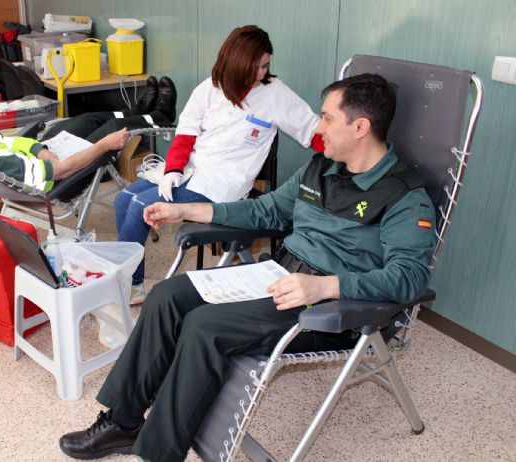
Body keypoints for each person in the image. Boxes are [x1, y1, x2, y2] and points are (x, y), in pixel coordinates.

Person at [58, 73, 437, 462]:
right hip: (280, 276)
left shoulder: (405, 196)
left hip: (331, 308)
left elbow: (410, 278)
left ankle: (158, 453)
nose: (318, 128)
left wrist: (326, 287)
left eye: (326, 118)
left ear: (360, 127)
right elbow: (264, 210)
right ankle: (123, 423)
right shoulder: (320, 168)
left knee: (205, 326)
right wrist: (186, 209)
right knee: (168, 295)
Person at [114, 25, 324, 304]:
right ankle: (132, 280)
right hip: (192, 169)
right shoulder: (210, 88)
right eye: (257, 67)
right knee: (123, 199)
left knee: (141, 205)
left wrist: (352, 153)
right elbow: (186, 132)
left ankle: (128, 285)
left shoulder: (275, 93)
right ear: (236, 64)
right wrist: (173, 169)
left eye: (266, 65)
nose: (262, 73)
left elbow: (313, 132)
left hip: (225, 181)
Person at [0, 112, 129, 191]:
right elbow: (62, 170)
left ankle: (137, 109)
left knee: (86, 119)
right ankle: (156, 116)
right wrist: (104, 145)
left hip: (45, 158)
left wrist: (41, 151)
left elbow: (14, 142)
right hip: (60, 181)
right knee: (111, 129)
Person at [40, 74, 177, 144]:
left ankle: (137, 112)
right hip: (59, 165)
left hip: (41, 146)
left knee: (88, 119)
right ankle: (160, 116)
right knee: (114, 126)